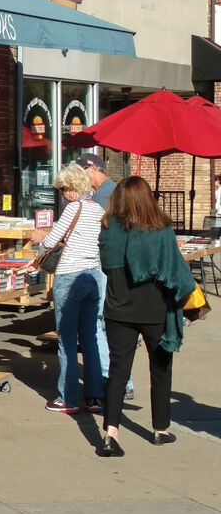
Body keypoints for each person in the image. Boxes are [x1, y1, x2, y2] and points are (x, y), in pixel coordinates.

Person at [96, 177, 197, 456]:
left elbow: (106, 269)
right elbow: (176, 274)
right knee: (161, 370)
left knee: (118, 372)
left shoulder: (107, 230)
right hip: (155, 311)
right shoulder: (161, 230)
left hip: (118, 309)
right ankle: (160, 430)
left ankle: (110, 434)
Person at [30, 163, 107, 415]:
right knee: (90, 338)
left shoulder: (73, 208)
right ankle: (95, 397)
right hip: (93, 275)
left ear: (73, 190)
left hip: (69, 276)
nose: (62, 195)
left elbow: (51, 240)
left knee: (66, 339)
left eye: (63, 190)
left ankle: (68, 397)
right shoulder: (98, 209)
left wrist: (38, 254)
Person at [76, 151, 122, 396]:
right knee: (99, 322)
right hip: (103, 262)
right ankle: (115, 378)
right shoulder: (106, 192)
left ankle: (110, 377)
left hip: (102, 264)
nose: (81, 176)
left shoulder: (104, 195)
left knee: (97, 322)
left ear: (93, 168)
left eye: (83, 171)